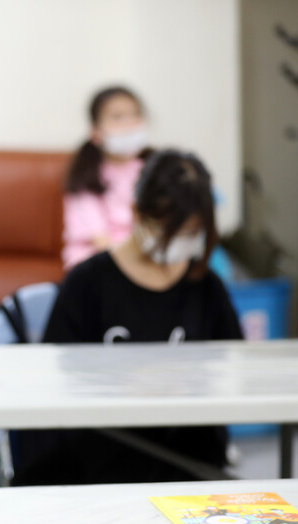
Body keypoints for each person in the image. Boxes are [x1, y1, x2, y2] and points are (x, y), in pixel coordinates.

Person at [13, 149, 242, 489]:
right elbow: (55, 381)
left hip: (187, 462)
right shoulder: (88, 282)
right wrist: (126, 384)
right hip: (98, 461)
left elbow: (236, 370)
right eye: (169, 230)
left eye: (192, 231)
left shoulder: (205, 286)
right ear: (137, 213)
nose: (180, 243)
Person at [62, 86, 152, 271]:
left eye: (135, 114)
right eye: (117, 117)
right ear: (96, 131)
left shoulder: (152, 169)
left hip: (145, 255)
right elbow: (100, 241)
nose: (128, 124)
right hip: (96, 259)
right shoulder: (86, 175)